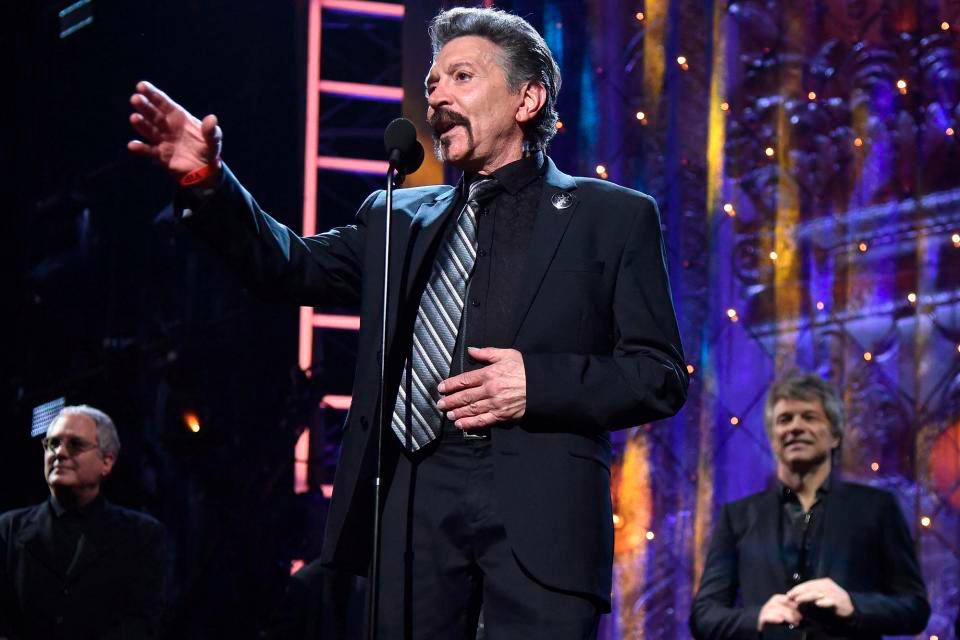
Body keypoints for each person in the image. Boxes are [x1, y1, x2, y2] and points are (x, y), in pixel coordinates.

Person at [127, 7, 687, 637]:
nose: (437, 95)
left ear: (527, 98)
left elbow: (658, 373)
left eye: (461, 77)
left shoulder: (611, 216)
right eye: (431, 83)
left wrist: (538, 383)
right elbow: (287, 266)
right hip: (412, 493)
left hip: (540, 504)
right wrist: (209, 182)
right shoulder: (396, 215)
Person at [689, 372, 930, 640]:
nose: (795, 427)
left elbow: (915, 608)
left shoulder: (877, 508)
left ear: (835, 436)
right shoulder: (737, 517)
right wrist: (756, 617)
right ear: (773, 438)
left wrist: (853, 605)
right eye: (784, 419)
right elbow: (704, 616)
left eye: (809, 417)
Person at [0, 405, 167, 639]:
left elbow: (141, 623)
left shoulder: (143, 536)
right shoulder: (7, 530)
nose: (59, 452)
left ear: (107, 462)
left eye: (75, 445)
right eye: (52, 443)